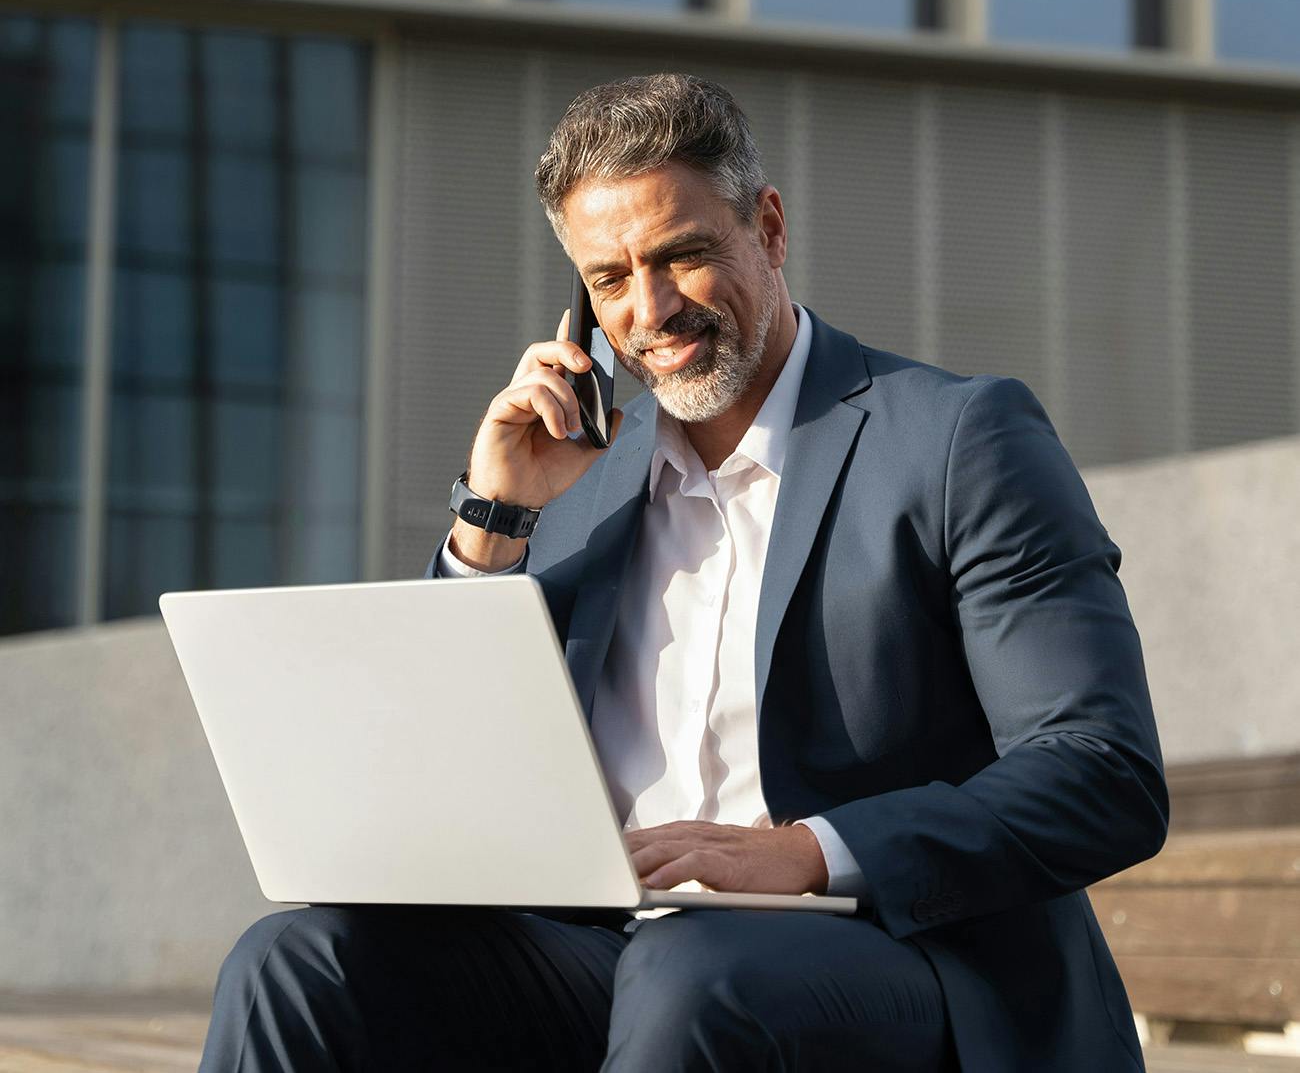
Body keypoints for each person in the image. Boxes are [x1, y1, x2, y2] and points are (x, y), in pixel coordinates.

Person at [200, 72, 1167, 1072]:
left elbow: (1101, 774)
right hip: (611, 953)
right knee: (294, 964)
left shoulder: (959, 437)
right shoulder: (569, 481)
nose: (651, 310)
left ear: (771, 228)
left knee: (693, 972)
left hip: (899, 962)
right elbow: (454, 780)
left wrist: (809, 853)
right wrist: (493, 523)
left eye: (684, 256)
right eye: (610, 280)